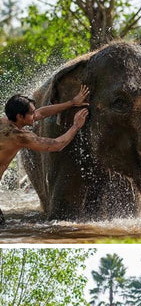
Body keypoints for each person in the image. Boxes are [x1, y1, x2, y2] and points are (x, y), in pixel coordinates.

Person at [0, 86, 90, 224]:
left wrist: (72, 103)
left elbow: (40, 114)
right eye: (31, 112)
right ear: (20, 116)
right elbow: (56, 145)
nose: (35, 114)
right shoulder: (19, 136)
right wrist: (76, 126)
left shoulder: (4, 121)